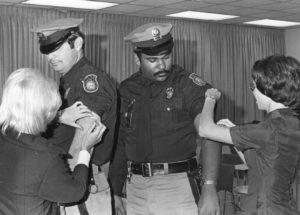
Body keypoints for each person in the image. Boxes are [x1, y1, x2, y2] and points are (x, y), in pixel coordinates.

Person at [108, 23, 221, 215]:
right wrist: (115, 190)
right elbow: (120, 142)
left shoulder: (188, 85)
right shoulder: (126, 89)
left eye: (166, 57)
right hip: (135, 187)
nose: (161, 65)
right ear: (137, 59)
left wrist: (209, 188)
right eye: (152, 60)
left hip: (176, 186)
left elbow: (209, 133)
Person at [33, 18, 117, 214]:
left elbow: (88, 130)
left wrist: (66, 179)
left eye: (56, 49)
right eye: (47, 52)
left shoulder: (90, 80)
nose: (50, 57)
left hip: (82, 182)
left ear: (77, 44)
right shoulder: (67, 81)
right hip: (65, 180)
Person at [198, 54, 300, 215]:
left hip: (264, 209)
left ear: (266, 88)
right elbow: (261, 166)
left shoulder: (268, 130)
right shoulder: (290, 123)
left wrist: (210, 98)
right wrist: (235, 134)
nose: (252, 93)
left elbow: (205, 128)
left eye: (253, 87)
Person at [0, 68, 106, 215]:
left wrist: (59, 116)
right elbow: (75, 192)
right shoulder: (45, 157)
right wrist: (85, 150)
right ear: (39, 113)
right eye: (49, 112)